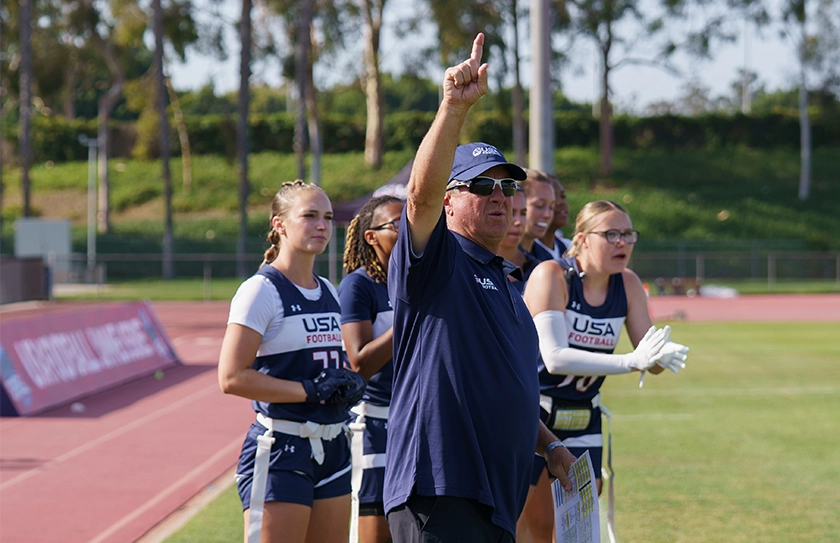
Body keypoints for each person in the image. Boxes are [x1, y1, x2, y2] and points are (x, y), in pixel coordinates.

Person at [384, 33, 578, 543]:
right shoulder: (437, 261)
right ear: (450, 202)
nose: (501, 197)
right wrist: (453, 108)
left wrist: (550, 444)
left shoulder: (509, 280)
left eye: (509, 187)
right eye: (483, 185)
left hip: (496, 499)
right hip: (441, 494)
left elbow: (504, 389)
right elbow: (419, 197)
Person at [518, 200, 690, 543]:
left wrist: (661, 355)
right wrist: (631, 361)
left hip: (584, 412)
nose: (622, 242)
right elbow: (554, 358)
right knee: (534, 522)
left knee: (574, 525)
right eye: (610, 234)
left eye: (628, 234)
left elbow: (648, 358)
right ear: (581, 239)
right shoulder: (552, 274)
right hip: (534, 413)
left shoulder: (626, 283)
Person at [218, 180, 366, 543]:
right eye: (310, 216)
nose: (322, 226)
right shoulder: (261, 290)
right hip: (282, 449)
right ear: (279, 224)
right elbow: (232, 377)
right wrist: (309, 391)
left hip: (334, 446)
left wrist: (343, 382)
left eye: (328, 217)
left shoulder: (329, 289)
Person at [338, 195, 404, 543]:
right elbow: (358, 363)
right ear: (371, 237)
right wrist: (410, 315)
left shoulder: (422, 279)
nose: (406, 229)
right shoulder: (358, 285)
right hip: (376, 423)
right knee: (376, 532)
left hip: (421, 423)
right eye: (396, 224)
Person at [497, 185, 533, 292]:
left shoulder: (539, 269)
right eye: (511, 212)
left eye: (523, 213)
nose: (518, 221)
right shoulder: (472, 269)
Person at [519, 170, 556, 272]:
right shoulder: (497, 255)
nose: (547, 214)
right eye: (539, 206)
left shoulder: (546, 259)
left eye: (552, 207)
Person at [532, 170, 572, 260]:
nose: (561, 202)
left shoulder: (569, 247)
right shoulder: (526, 251)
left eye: (563, 196)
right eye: (553, 196)